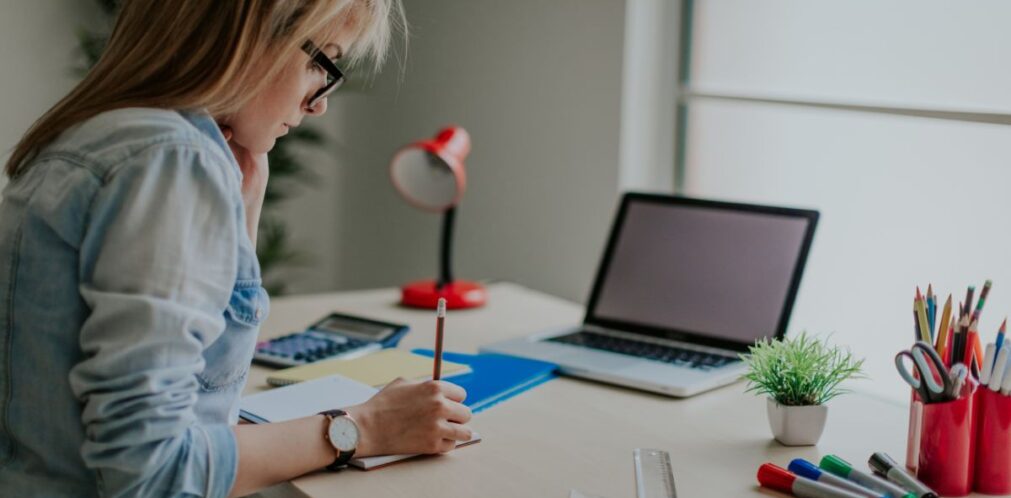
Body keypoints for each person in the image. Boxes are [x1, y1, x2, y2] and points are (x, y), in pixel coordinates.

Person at [0, 1, 474, 496]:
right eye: (322, 62)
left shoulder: (94, 137)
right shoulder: (171, 161)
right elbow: (153, 473)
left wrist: (243, 206)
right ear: (251, 33)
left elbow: (196, 398)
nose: (319, 104)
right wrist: (364, 426)